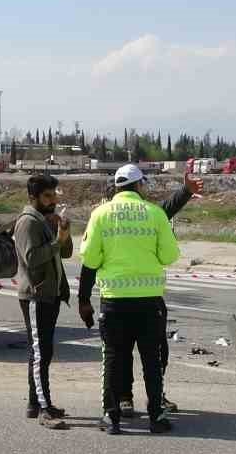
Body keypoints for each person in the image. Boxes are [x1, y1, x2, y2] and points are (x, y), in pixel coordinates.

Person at [77, 164, 180, 435]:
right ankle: (156, 417)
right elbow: (169, 256)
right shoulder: (155, 214)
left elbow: (90, 258)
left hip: (114, 302)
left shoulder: (100, 215)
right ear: (139, 185)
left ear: (117, 187)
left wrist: (84, 298)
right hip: (149, 303)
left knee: (113, 358)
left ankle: (112, 418)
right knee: (152, 361)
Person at [113, 171, 201, 416]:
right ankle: (139, 399)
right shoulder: (146, 213)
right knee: (154, 353)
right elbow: (165, 228)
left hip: (118, 296)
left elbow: (165, 210)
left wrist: (185, 192)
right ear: (139, 185)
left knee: (125, 351)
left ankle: (128, 397)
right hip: (145, 296)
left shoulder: (109, 214)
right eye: (144, 183)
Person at [13, 174, 73, 429]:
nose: (53, 200)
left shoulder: (46, 220)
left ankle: (35, 403)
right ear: (33, 198)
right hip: (36, 296)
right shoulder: (28, 222)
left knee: (43, 352)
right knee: (40, 353)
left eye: (54, 195)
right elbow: (31, 258)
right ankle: (43, 408)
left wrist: (64, 233)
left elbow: (66, 252)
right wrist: (55, 242)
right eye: (47, 196)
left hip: (50, 296)